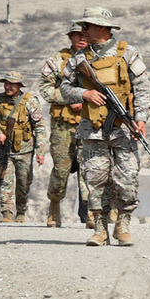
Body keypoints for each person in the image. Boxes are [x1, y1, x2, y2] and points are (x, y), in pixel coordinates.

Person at [59, 7, 150, 247]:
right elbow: (64, 89)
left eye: (86, 26)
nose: (82, 31)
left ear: (101, 28)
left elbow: (142, 88)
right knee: (95, 179)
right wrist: (85, 93)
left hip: (124, 127)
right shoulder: (79, 59)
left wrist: (140, 119)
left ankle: (122, 225)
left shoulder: (128, 54)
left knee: (127, 177)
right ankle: (100, 229)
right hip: (92, 128)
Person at [39, 24, 92, 228]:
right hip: (63, 125)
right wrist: (70, 98)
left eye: (84, 34)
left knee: (89, 169)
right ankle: (54, 209)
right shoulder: (57, 60)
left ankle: (91, 212)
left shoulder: (97, 60)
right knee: (61, 170)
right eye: (76, 35)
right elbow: (45, 89)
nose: (81, 38)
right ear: (70, 36)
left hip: (90, 122)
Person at [0, 71, 47, 223]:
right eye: (6, 84)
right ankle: (6, 213)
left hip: (25, 150)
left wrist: (40, 151)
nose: (7, 87)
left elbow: (39, 127)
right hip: (4, 150)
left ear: (19, 85)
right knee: (5, 180)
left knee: (23, 182)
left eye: (11, 84)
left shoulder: (30, 101)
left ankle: (21, 212)